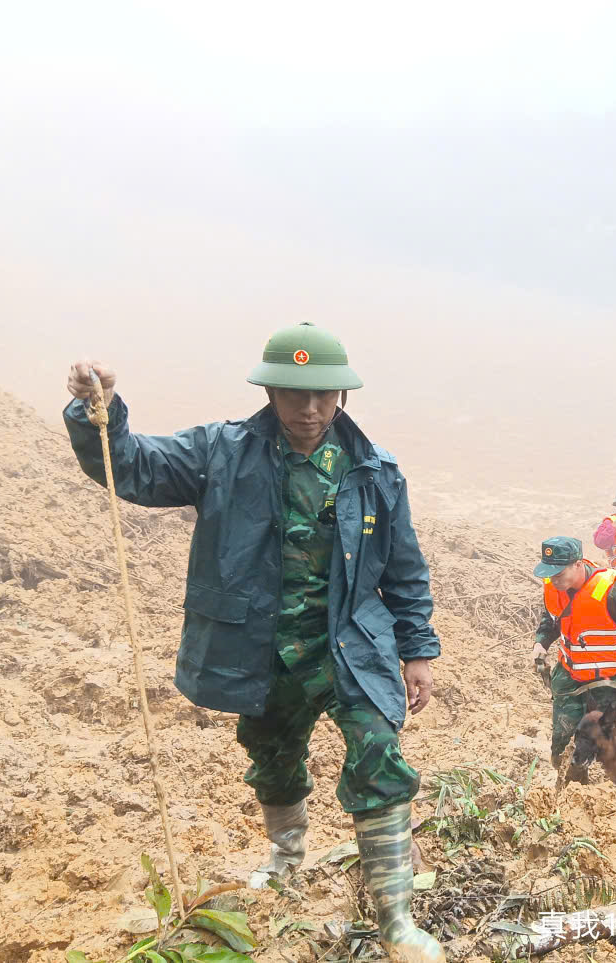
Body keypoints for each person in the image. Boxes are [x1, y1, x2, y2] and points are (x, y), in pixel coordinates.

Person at [64, 322, 444, 963]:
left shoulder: (375, 471)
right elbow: (132, 468)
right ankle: (285, 861)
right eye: (295, 394)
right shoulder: (223, 451)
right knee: (272, 756)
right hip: (261, 647)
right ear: (269, 391)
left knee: (379, 751)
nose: (311, 409)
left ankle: (397, 921)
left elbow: (404, 568)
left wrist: (418, 648)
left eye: (324, 395)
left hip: (351, 645)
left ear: (342, 397)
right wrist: (94, 411)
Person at [530, 537, 616, 782]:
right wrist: (541, 641)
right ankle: (572, 790)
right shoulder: (554, 588)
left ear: (578, 564)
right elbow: (551, 619)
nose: (554, 579)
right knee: (563, 748)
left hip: (610, 683)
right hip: (570, 678)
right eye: (550, 574)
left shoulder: (612, 592)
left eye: (559, 573)